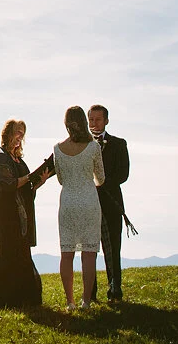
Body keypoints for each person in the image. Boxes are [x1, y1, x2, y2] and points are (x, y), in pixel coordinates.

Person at [0, 119, 51, 309]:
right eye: (17, 132)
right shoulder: (0, 157)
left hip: (22, 210)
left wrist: (39, 181)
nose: (19, 137)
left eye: (22, 134)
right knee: (9, 251)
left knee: (23, 251)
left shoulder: (19, 159)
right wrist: (29, 177)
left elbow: (27, 188)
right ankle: (9, 299)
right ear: (8, 133)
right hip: (8, 211)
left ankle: (26, 298)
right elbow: (8, 184)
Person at [52, 105, 104, 310]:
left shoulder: (58, 149)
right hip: (89, 201)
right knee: (89, 253)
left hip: (67, 203)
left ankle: (69, 301)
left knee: (67, 253)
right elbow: (101, 178)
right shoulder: (93, 147)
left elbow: (61, 179)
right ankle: (86, 301)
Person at [89, 103, 131, 302]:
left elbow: (123, 174)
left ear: (106, 121)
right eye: (91, 119)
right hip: (88, 202)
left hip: (112, 202)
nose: (94, 123)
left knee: (113, 248)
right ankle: (90, 292)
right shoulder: (82, 146)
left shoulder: (118, 144)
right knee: (89, 249)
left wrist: (103, 183)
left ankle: (115, 290)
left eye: (98, 119)